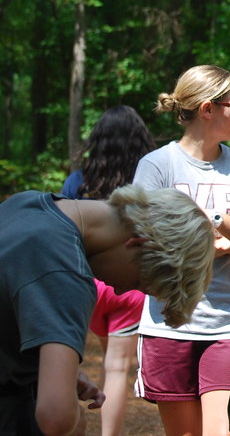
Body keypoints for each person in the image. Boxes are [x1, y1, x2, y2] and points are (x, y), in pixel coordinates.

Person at [0, 185, 215, 436]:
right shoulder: (68, 276)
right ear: (138, 244)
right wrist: (74, 419)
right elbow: (55, 418)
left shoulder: (27, 204)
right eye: (138, 283)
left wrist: (49, 371)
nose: (124, 291)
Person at [132, 65, 230, 436]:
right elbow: (148, 246)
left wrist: (203, 236)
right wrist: (220, 238)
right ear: (208, 109)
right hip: (168, 324)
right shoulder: (157, 167)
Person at [61, 105, 156, 436]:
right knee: (117, 368)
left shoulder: (78, 181)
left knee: (103, 360)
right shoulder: (144, 183)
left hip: (88, 285)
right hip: (128, 283)